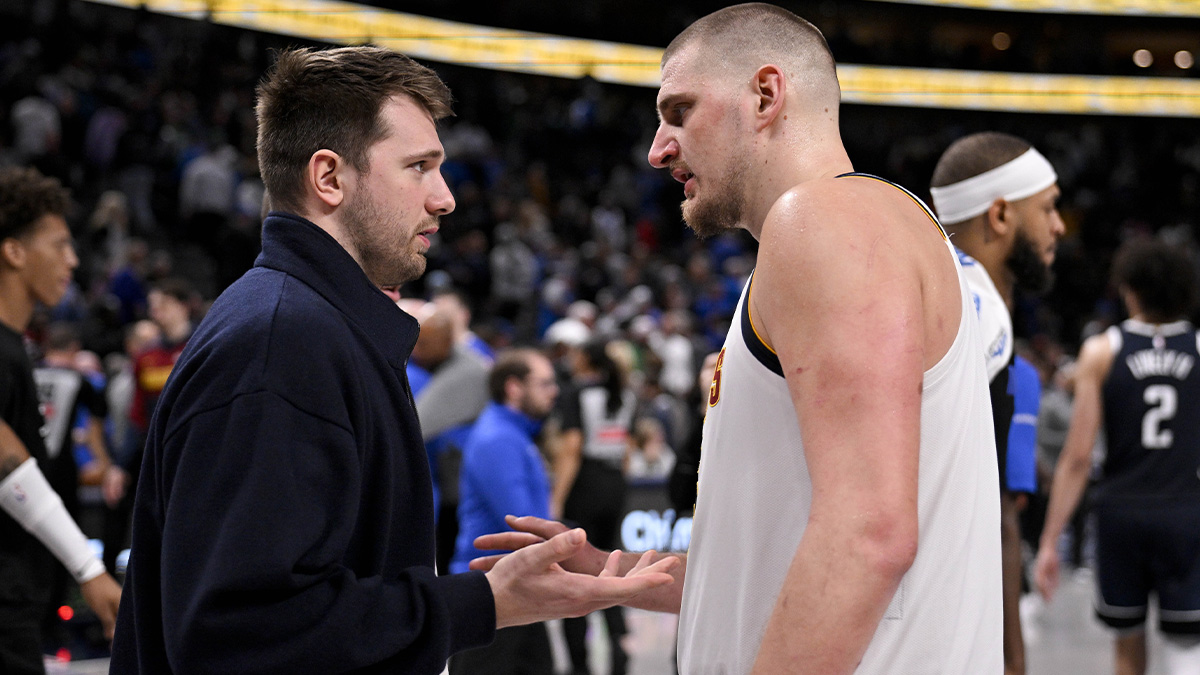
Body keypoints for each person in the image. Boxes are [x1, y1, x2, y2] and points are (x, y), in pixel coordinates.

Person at [108, 45, 676, 674]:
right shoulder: (282, 342)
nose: (446, 198)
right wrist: (482, 601)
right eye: (419, 168)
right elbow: (240, 635)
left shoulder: (313, 325)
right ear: (329, 178)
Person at [473, 5, 1002, 673]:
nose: (657, 148)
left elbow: (868, 537)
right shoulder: (846, 228)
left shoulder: (824, 220)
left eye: (679, 111)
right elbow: (783, 558)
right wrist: (614, 567)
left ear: (765, 95)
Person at [928, 130, 1066, 674]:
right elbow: (996, 517)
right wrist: (1012, 658)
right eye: (1049, 208)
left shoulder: (932, 281)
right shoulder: (978, 308)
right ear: (1001, 214)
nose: (1059, 226)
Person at [1035, 238, 1200, 675]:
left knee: (1127, 645)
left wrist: (1051, 539)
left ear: (1130, 289)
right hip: (1185, 509)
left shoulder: (1102, 351)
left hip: (1121, 513)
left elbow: (1077, 456)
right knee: (1188, 642)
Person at [0, 166, 122, 674]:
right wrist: (88, 566)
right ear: (15, 252)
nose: (71, 261)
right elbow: (6, 461)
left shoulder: (17, 350)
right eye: (58, 245)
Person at [449, 349, 560, 675]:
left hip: (517, 585)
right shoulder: (498, 438)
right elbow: (522, 520)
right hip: (493, 590)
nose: (553, 391)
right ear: (514, 387)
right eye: (544, 383)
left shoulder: (513, 434)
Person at [552, 339, 638, 675]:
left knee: (576, 568)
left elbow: (572, 448)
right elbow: (627, 446)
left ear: (587, 359)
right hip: (615, 483)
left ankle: (579, 662)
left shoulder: (578, 393)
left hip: (586, 484)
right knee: (610, 562)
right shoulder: (625, 395)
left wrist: (557, 497)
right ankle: (619, 643)